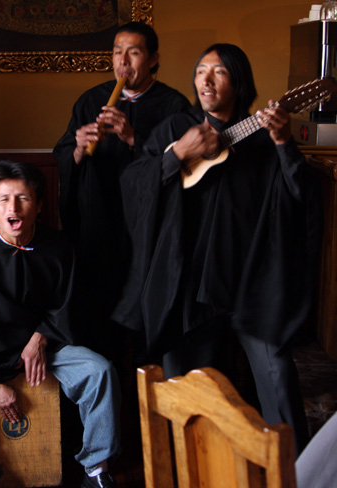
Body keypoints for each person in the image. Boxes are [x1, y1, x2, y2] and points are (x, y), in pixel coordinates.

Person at [112, 43, 322, 456]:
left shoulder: (263, 135)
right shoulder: (177, 127)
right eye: (200, 71)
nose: (205, 81)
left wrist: (283, 142)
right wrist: (179, 154)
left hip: (250, 282)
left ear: (238, 82)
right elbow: (133, 185)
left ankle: (297, 469)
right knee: (186, 388)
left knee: (277, 374)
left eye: (219, 72)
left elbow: (302, 195)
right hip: (189, 284)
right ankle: (194, 469)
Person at [0, 161, 121, 488]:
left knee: (99, 370)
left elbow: (68, 305)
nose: (13, 208)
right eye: (4, 200)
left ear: (39, 205)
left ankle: (97, 468)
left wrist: (40, 337)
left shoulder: (58, 248)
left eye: (23, 198)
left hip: (45, 347)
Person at [53, 21, 190, 359]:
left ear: (153, 59)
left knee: (148, 323)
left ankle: (149, 386)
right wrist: (77, 149)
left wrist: (133, 139)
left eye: (133, 52)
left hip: (148, 230)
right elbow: (63, 154)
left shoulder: (173, 105)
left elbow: (184, 167)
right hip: (100, 225)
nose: (123, 62)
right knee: (99, 322)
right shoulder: (91, 100)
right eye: (117, 53)